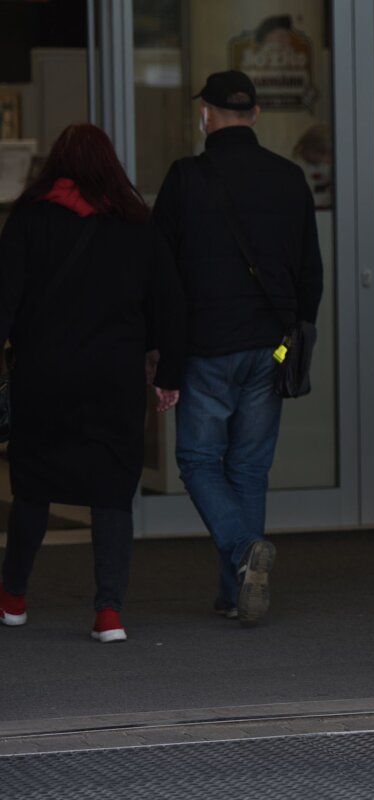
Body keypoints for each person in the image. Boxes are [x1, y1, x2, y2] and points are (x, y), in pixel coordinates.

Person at [0, 123, 186, 642]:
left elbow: (4, 301)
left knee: (33, 490)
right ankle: (109, 614)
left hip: (43, 375)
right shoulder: (137, 225)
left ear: (56, 165)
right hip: (115, 377)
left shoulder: (29, 220)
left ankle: (12, 598)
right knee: (111, 495)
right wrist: (168, 375)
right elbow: (170, 307)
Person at [153, 70, 323, 626]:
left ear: (206, 114)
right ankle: (236, 594)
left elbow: (164, 280)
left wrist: (165, 360)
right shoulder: (288, 177)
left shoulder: (184, 180)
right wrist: (296, 336)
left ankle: (240, 549)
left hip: (206, 348)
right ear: (253, 114)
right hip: (268, 347)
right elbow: (309, 274)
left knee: (198, 459)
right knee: (248, 469)